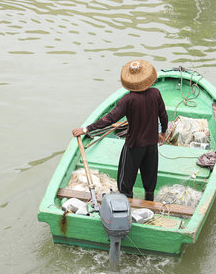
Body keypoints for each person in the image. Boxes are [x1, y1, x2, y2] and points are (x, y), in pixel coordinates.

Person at [72, 59, 168, 201]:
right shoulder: (156, 93)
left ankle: (125, 206)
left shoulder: (128, 99)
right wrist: (163, 132)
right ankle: (150, 204)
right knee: (150, 181)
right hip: (151, 145)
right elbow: (163, 115)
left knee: (125, 183)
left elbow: (109, 119)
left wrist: (86, 129)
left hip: (134, 146)